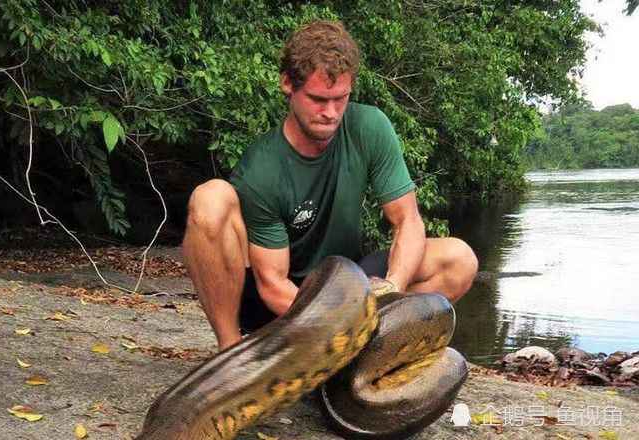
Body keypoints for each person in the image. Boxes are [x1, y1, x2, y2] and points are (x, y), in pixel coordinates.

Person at [182, 19, 478, 352]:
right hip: (279, 305)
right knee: (210, 199)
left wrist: (391, 286)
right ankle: (230, 351)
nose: (331, 112)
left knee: (459, 259)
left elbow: (408, 221)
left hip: (346, 283)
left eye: (341, 99)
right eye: (319, 99)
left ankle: (372, 343)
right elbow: (272, 284)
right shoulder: (261, 169)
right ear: (287, 85)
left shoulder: (370, 126)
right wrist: (336, 319)